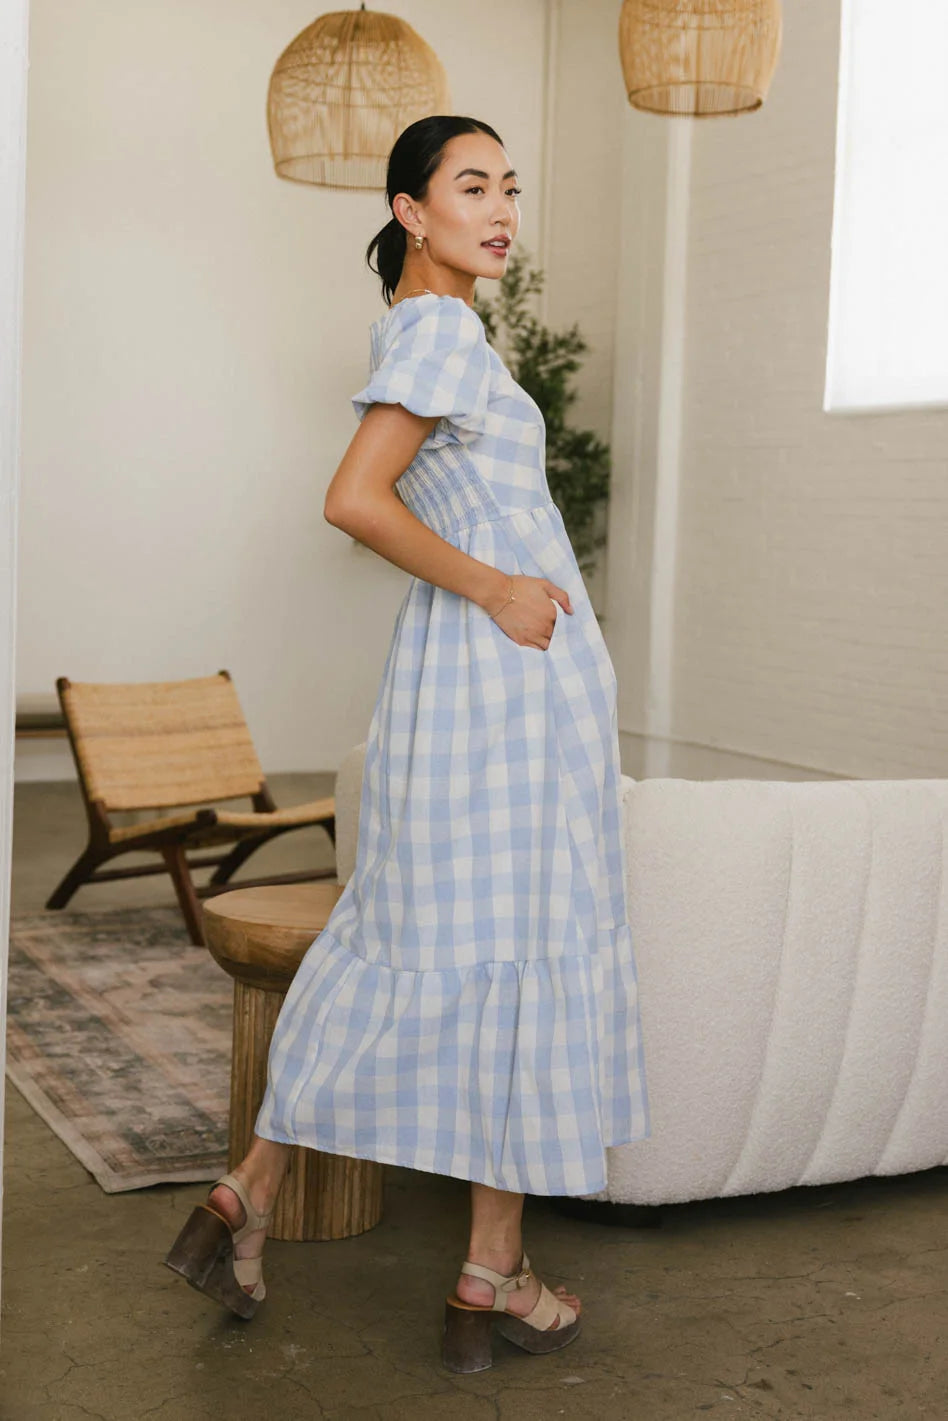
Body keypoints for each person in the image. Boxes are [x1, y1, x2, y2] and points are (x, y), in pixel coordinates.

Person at [165, 114, 649, 1374]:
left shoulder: (424, 328)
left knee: (417, 937)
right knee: (516, 950)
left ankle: (252, 1192)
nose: (502, 210)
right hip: (502, 685)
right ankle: (490, 1275)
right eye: (471, 186)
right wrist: (500, 588)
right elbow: (353, 498)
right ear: (411, 211)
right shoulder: (440, 331)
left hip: (472, 684)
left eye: (510, 188)